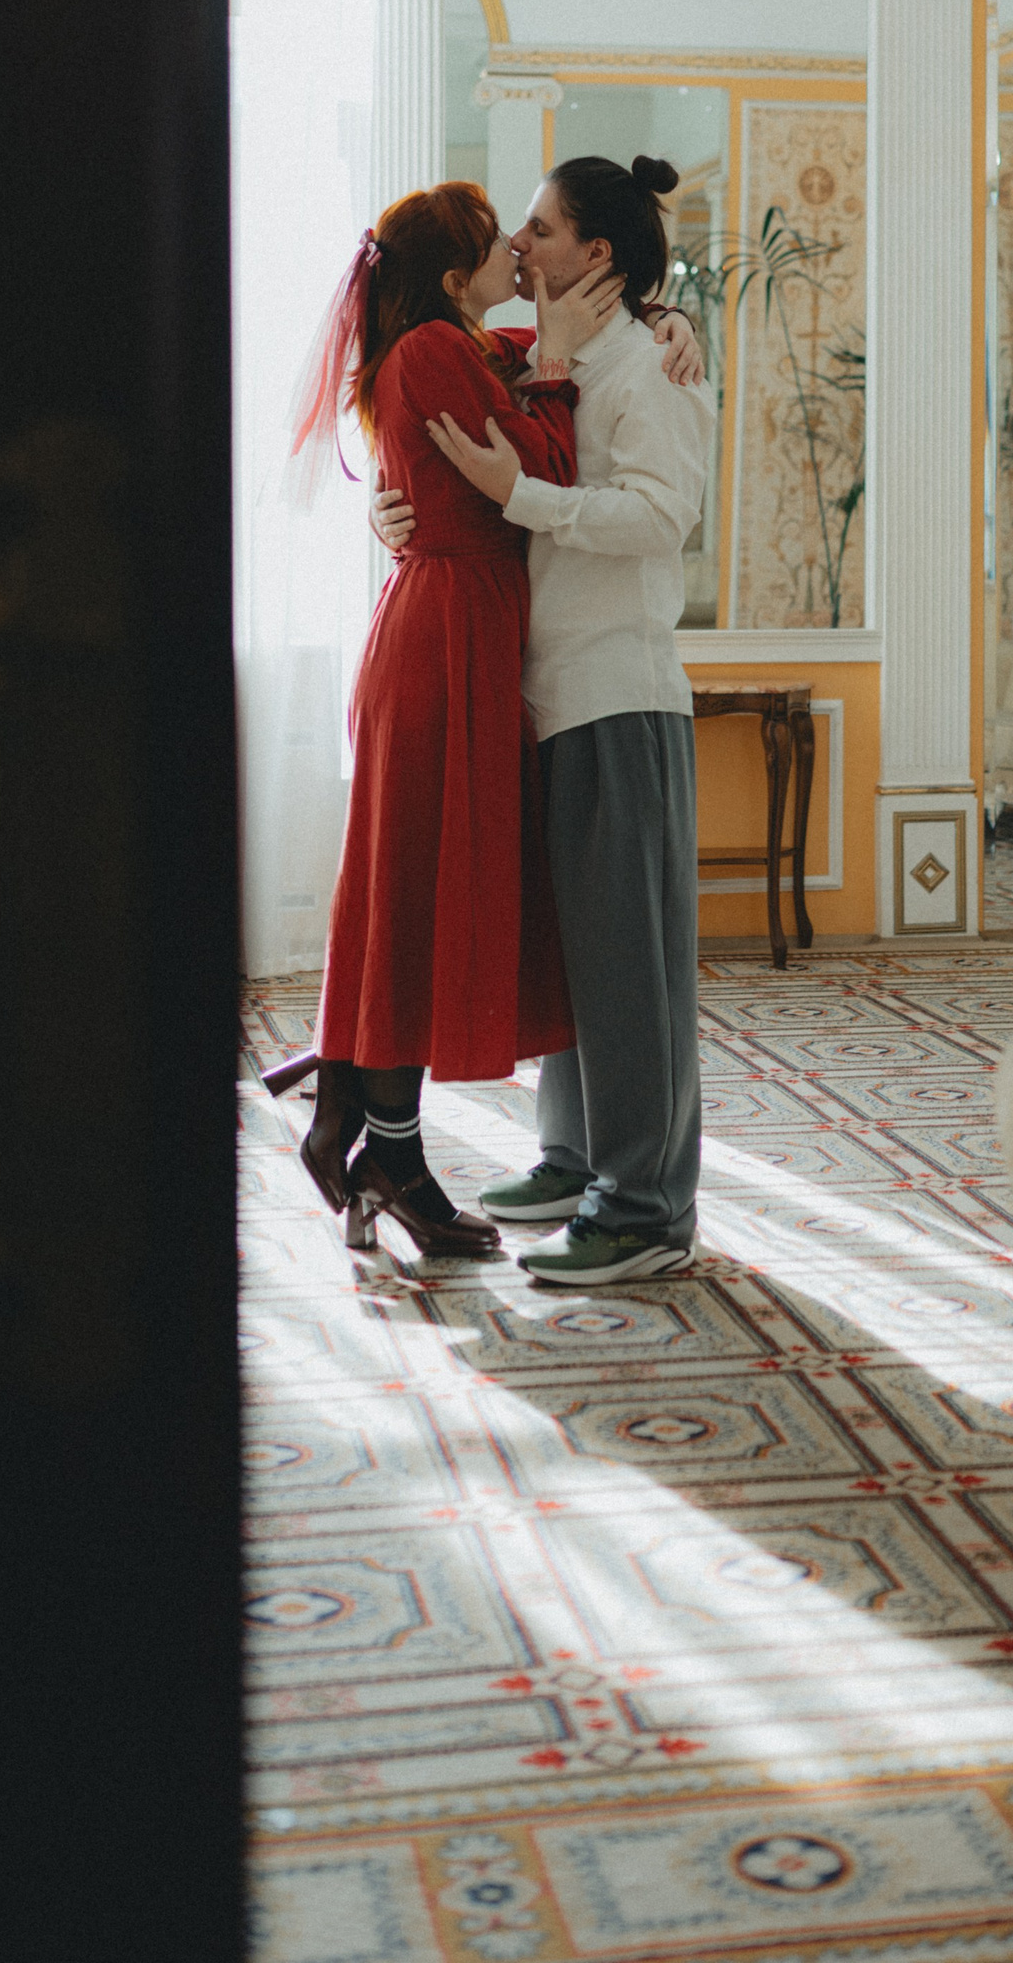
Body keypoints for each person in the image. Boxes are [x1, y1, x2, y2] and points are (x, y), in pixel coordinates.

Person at [268, 181, 621, 1261]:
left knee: (413, 893)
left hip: (459, 631)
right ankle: (390, 1153)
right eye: (494, 239)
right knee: (415, 899)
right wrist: (555, 368)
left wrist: (659, 322)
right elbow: (541, 468)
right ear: (455, 273)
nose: (516, 246)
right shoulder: (432, 349)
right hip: (443, 642)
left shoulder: (455, 345)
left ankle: (356, 1110)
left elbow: (525, 375)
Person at [382, 154, 716, 1286]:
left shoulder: (649, 364)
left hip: (615, 688)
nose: (517, 245)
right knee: (577, 954)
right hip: (545, 694)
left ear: (596, 253)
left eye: (537, 227)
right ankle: (575, 1161)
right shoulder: (544, 354)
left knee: (630, 968)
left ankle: (646, 1210)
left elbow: (662, 517)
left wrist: (518, 495)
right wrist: (394, 511)